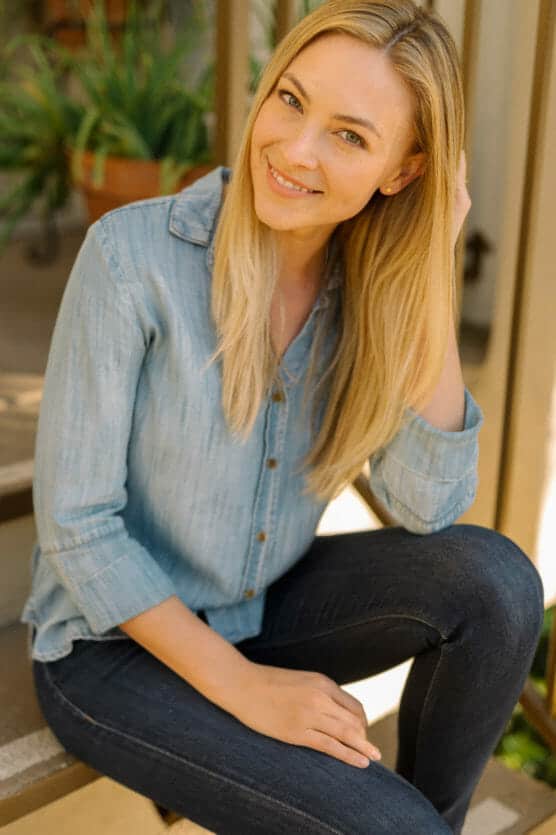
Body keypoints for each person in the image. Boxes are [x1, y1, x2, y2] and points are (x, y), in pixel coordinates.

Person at [22, 1, 544, 833]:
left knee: (500, 583)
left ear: (403, 172)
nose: (295, 151)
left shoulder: (366, 289)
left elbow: (426, 507)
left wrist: (432, 274)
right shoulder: (131, 260)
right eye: (291, 100)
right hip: (108, 652)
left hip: (262, 604)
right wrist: (243, 686)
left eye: (350, 135)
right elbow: (79, 527)